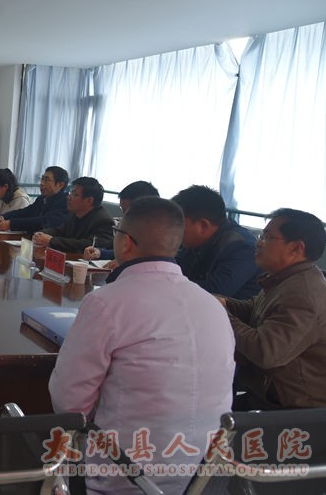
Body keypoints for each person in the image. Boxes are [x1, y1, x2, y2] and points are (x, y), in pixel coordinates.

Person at [49, 197, 235, 495]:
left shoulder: (107, 302)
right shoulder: (211, 305)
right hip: (199, 477)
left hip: (123, 477)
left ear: (126, 242)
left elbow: (69, 404)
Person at [219, 208, 326, 409]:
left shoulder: (303, 295)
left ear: (296, 248)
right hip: (265, 393)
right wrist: (220, 303)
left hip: (295, 409)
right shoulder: (287, 277)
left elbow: (266, 352)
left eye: (267, 237)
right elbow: (254, 309)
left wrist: (221, 315)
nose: (258, 242)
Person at [172, 185, 260, 299]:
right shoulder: (194, 242)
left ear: (203, 225)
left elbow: (214, 292)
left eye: (178, 225)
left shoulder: (241, 247)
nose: (174, 231)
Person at [83, 180, 159, 262]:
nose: (124, 216)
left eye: (127, 211)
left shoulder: (159, 234)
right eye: (122, 210)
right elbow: (125, 251)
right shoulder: (134, 226)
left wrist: (127, 262)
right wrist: (100, 253)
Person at [32, 176, 114, 253]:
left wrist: (52, 240)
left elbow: (88, 244)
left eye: (74, 195)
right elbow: (59, 231)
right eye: (70, 193)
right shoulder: (74, 213)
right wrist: (41, 234)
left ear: (89, 200)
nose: (68, 197)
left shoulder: (104, 221)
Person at [0, 166, 69, 233]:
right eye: (42, 179)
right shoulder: (42, 198)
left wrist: (11, 224)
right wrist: (4, 217)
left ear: (60, 185)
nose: (42, 183)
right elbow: (26, 211)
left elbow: (43, 221)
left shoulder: (66, 202)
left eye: (46, 180)